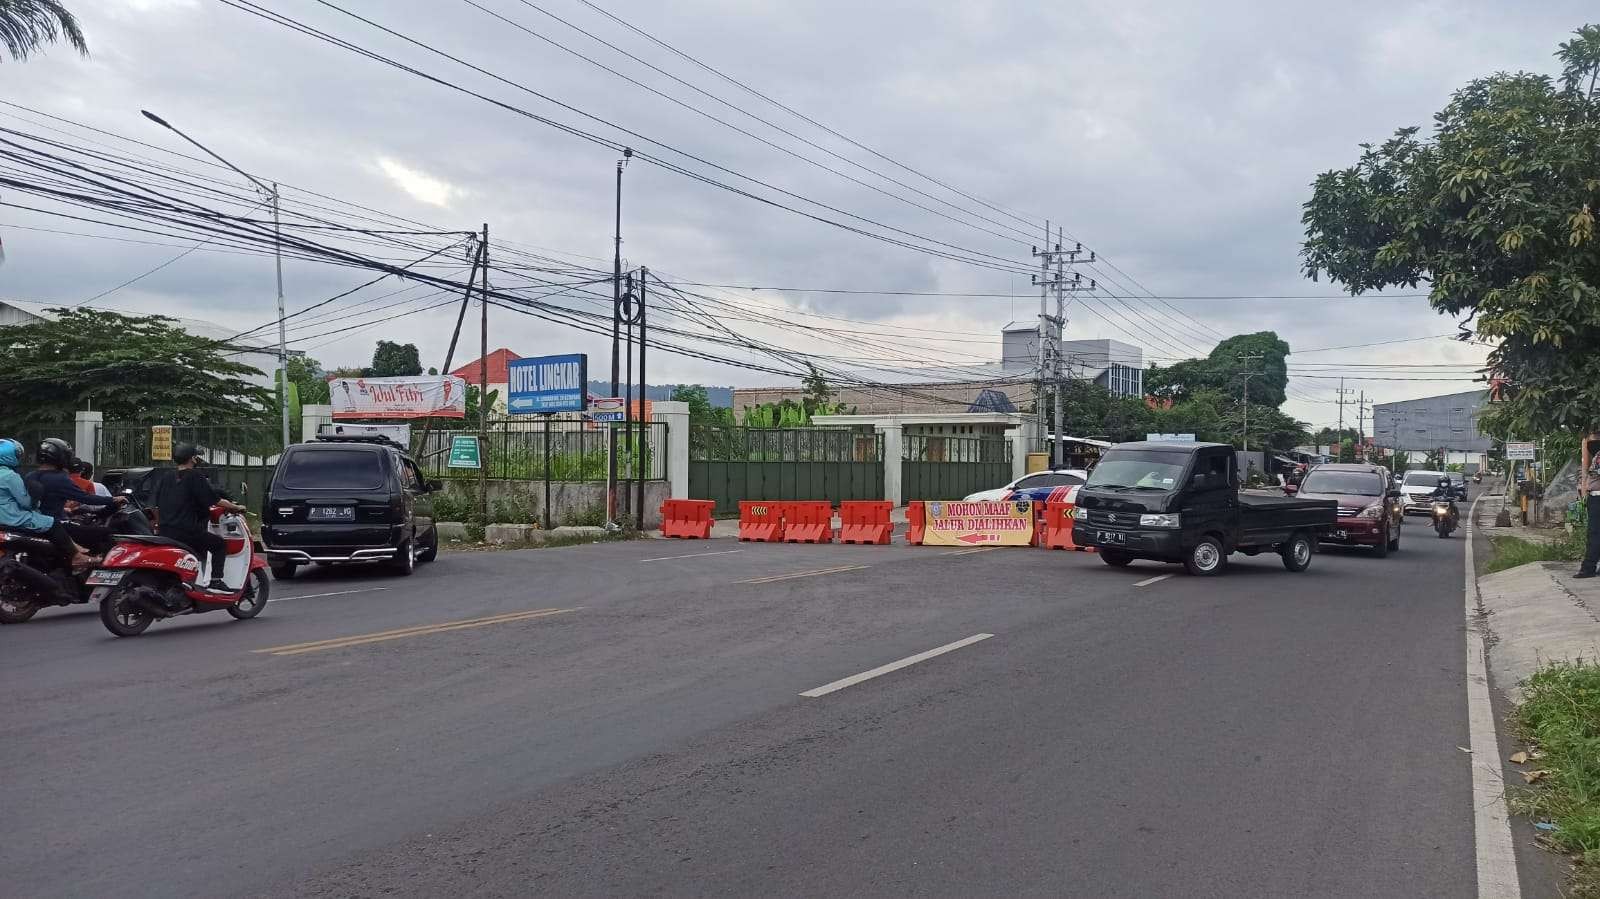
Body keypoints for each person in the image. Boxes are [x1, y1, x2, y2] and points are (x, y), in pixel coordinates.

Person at [156, 443, 245, 592]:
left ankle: (195, 581)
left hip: (165, 530)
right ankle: (216, 581)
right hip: (186, 530)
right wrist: (236, 507)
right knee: (219, 544)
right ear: (193, 458)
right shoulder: (195, 476)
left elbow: (157, 504)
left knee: (201, 544)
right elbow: (214, 500)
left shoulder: (167, 477)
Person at [0, 438, 95, 568]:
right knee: (51, 523)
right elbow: (26, 503)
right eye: (17, 455)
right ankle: (76, 557)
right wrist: (36, 499)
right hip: (12, 517)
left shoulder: (28, 475)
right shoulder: (10, 476)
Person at [26, 438, 122, 553]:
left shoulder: (30, 475)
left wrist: (65, 509)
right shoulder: (59, 478)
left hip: (35, 523)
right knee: (107, 533)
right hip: (56, 524)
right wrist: (113, 499)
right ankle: (91, 565)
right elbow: (86, 498)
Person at [1578, 449, 1600, 580]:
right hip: (1595, 497)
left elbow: (1594, 471)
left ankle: (1588, 568)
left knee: (1594, 534)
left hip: (1597, 498)